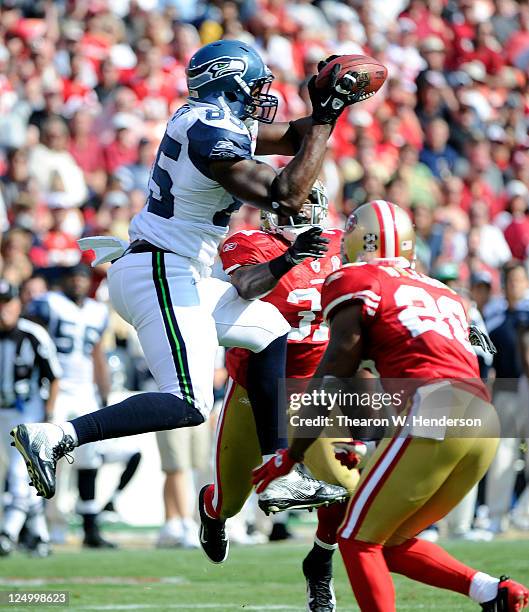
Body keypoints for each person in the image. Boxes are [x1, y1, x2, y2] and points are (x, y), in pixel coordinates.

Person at [11, 42, 362, 507]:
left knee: (269, 329)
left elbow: (299, 139)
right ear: (229, 84)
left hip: (178, 269)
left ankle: (280, 471)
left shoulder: (209, 120)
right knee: (187, 403)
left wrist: (327, 108)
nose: (261, 96)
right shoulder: (208, 129)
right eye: (254, 87)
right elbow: (287, 196)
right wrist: (326, 116)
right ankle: (57, 435)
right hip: (161, 267)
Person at [252, 200, 529, 612]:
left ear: (360, 240)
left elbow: (334, 371)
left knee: (356, 539)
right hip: (481, 417)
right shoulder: (442, 290)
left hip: (436, 407)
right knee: (389, 539)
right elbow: (395, 369)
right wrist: (364, 440)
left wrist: (292, 454)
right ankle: (492, 592)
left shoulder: (358, 277)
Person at [198, 181, 354, 610]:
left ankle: (321, 560)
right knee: (231, 500)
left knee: (345, 483)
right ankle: (210, 513)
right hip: (257, 389)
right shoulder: (250, 240)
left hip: (317, 386)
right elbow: (247, 286)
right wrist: (289, 259)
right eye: (294, 204)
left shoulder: (341, 244)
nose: (304, 212)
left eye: (309, 204)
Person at [25, 265, 115, 548]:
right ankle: (35, 527)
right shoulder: (48, 303)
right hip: (55, 389)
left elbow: (97, 352)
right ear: (63, 281)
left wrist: (104, 391)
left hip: (84, 391)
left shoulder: (97, 311)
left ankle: (90, 526)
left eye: (82, 278)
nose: (78, 282)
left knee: (89, 458)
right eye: (73, 278)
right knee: (42, 456)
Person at [0, 280, 61, 557]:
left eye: (8, 302)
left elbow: (54, 375)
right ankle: (40, 536)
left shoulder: (33, 334)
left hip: (28, 411)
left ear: (18, 304)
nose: (4, 309)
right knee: (24, 475)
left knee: (17, 471)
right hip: (3, 410)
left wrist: (48, 414)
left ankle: (8, 532)